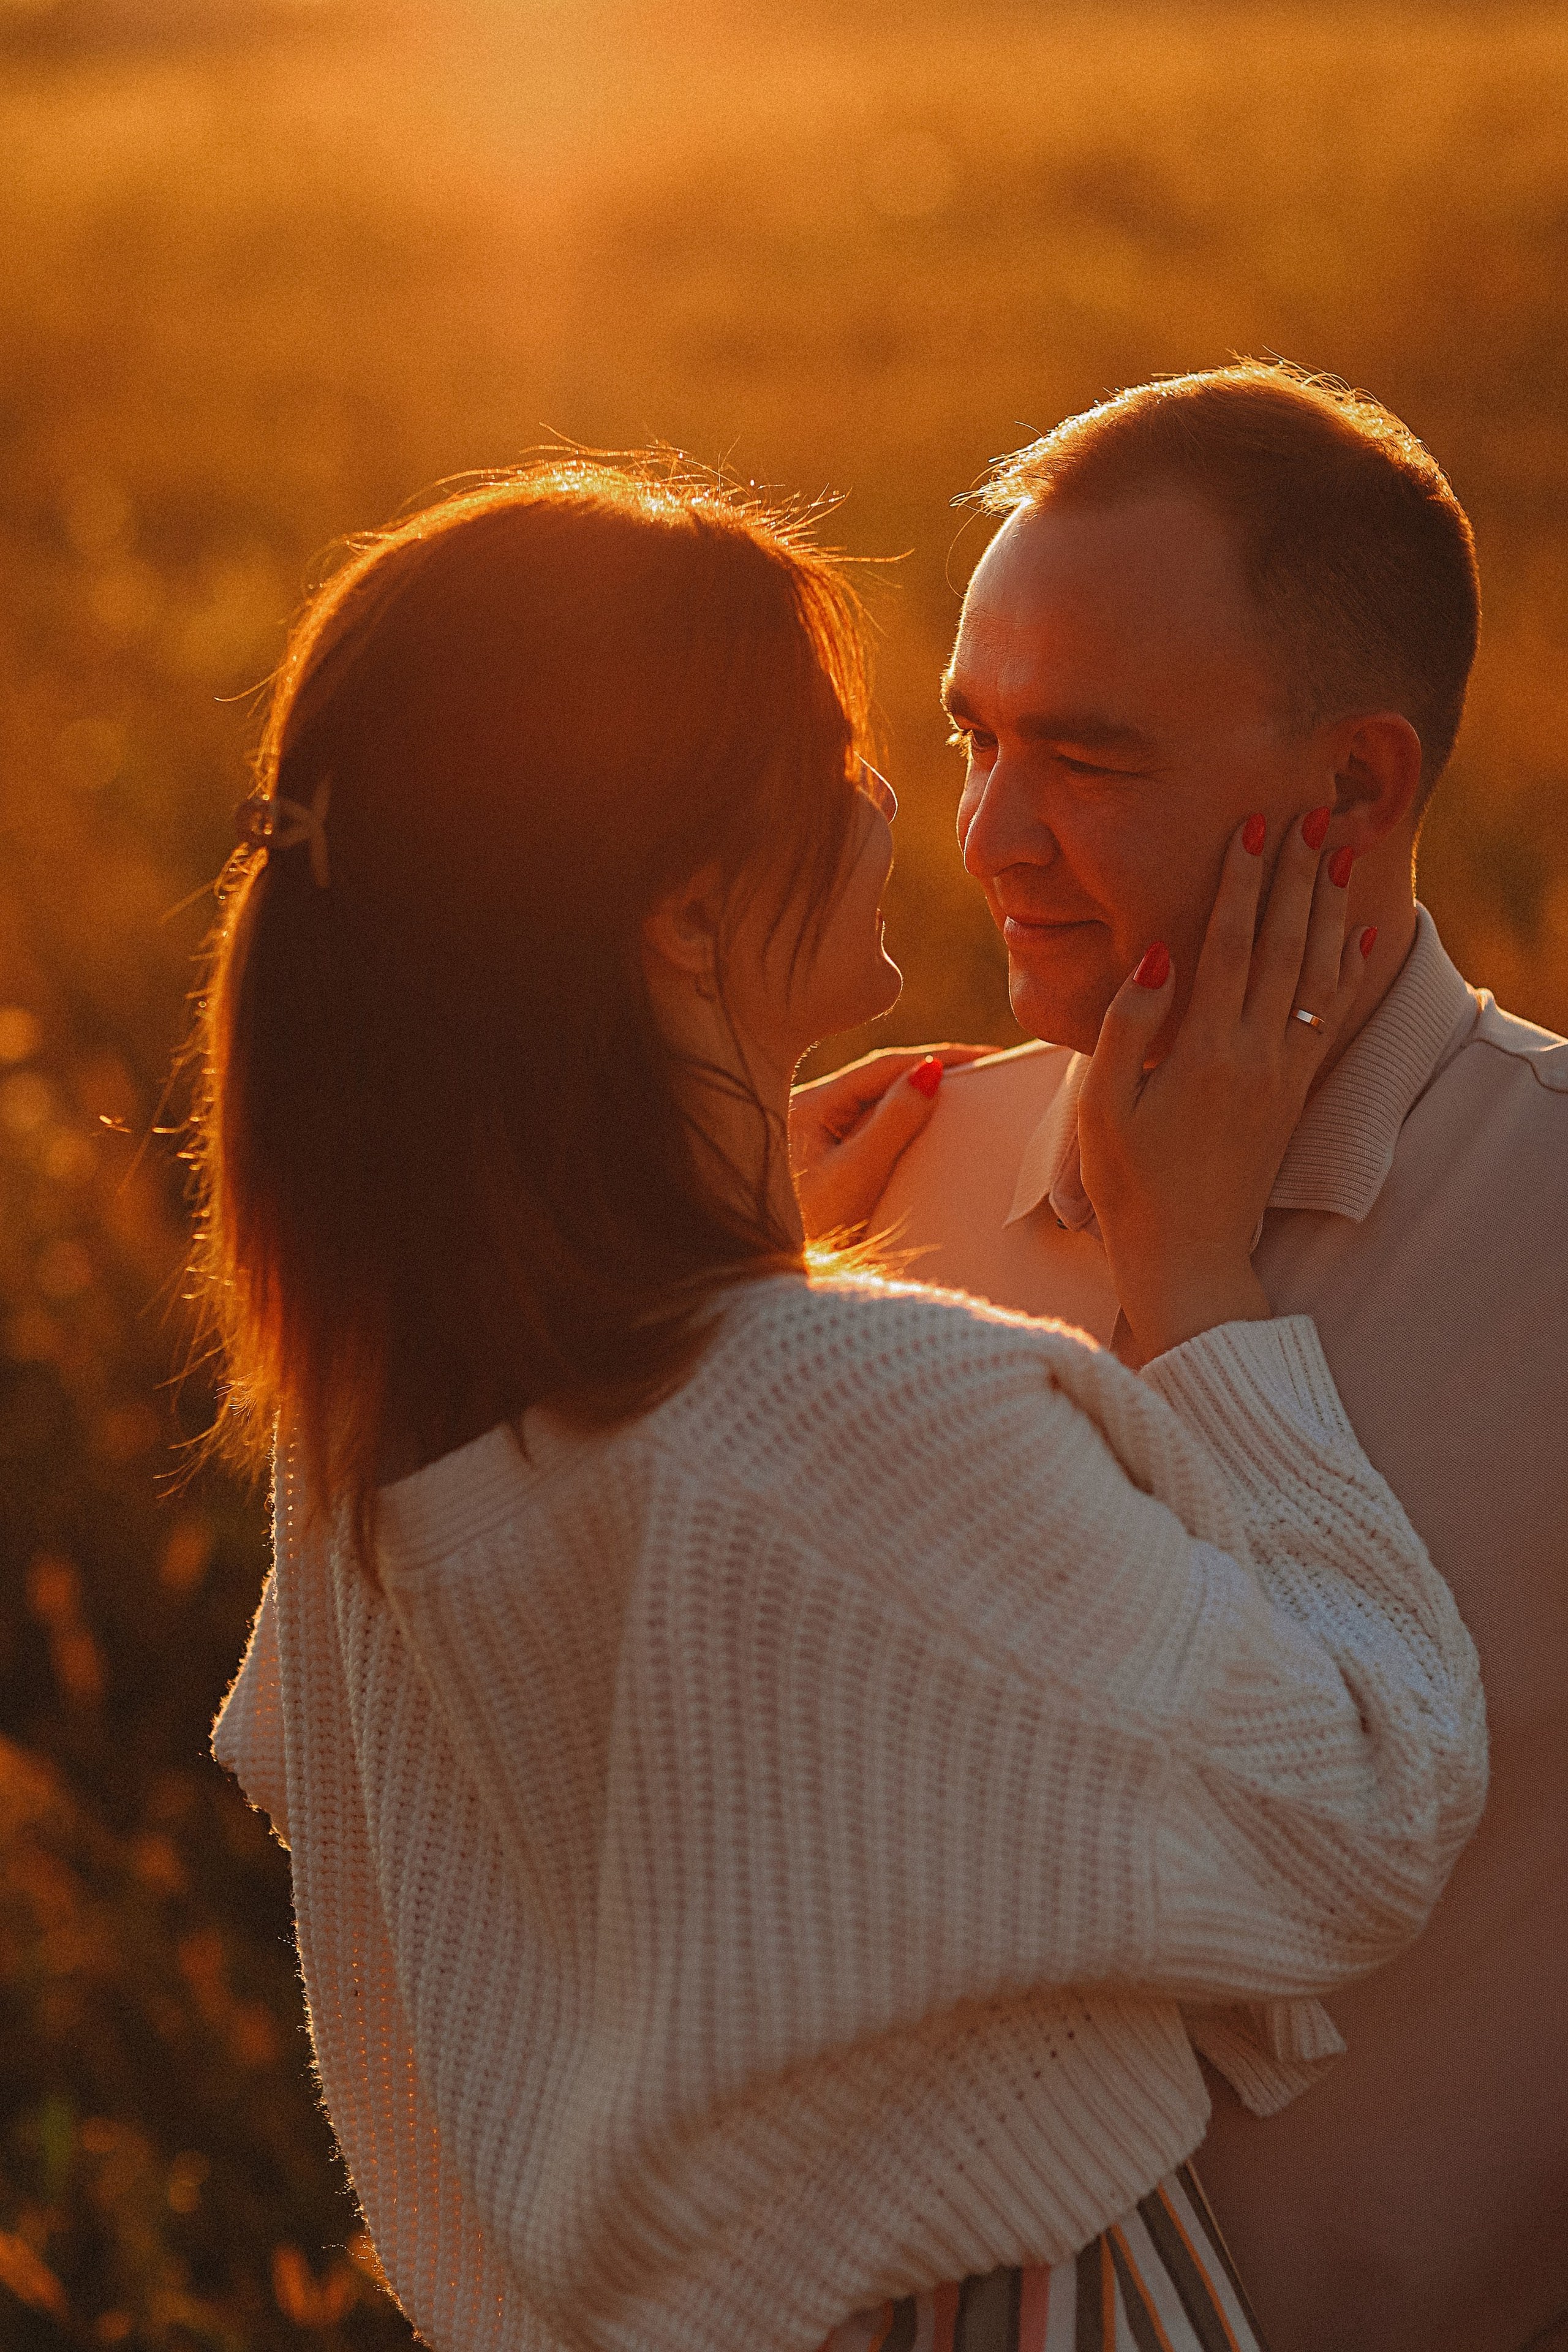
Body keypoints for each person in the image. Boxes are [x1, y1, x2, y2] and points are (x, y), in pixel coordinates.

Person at [202, 461, 1485, 2352]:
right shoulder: (844, 1426)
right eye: (849, 758)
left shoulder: (375, 1422)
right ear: (689, 920)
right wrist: (1200, 1285)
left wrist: (705, 1265)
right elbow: (1366, 1807)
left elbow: (319, 1743)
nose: (923, 815)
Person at [821, 363, 1568, 2352]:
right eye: (973, 736)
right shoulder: (875, 1186)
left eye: (1087, 756)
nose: (986, 836)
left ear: (1356, 791)